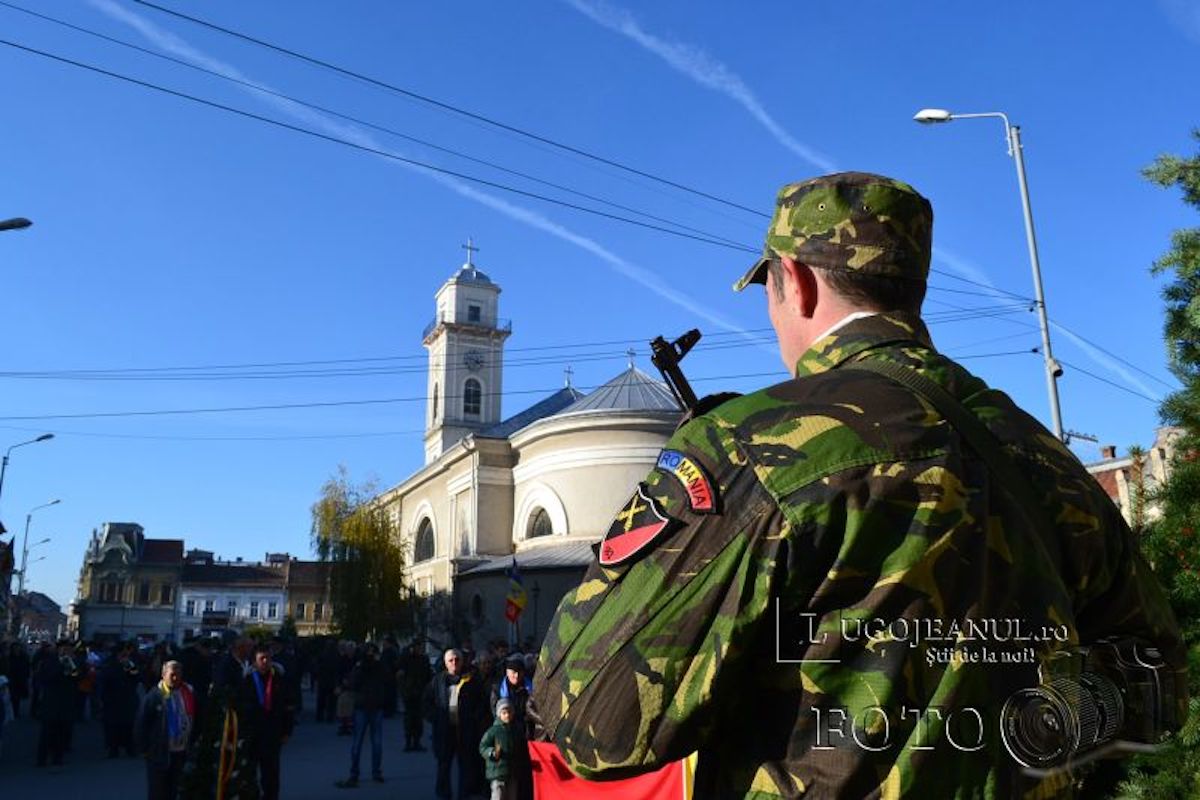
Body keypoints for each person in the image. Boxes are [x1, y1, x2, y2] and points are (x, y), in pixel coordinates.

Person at [532, 172, 1189, 798]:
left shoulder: (752, 446)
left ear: (796, 282)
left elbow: (596, 722)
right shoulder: (1041, 454)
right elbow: (1157, 693)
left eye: (768, 288)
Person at [423, 648, 489, 800]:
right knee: (444, 765)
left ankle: (463, 794)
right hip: (444, 731)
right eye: (450, 660)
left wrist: (473, 718)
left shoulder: (471, 680)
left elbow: (482, 702)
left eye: (457, 660)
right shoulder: (438, 680)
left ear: (462, 661)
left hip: (465, 730)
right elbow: (426, 701)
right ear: (445, 663)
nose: (454, 663)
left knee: (465, 765)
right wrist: (435, 717)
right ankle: (444, 794)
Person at [238, 644, 295, 800]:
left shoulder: (279, 679)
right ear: (254, 661)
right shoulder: (247, 680)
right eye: (261, 658)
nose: (265, 661)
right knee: (249, 771)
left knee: (271, 773)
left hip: (273, 733)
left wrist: (287, 731)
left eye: (267, 658)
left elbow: (288, 707)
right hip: (252, 734)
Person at [135, 660, 195, 800]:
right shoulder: (154, 696)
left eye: (179, 675)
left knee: (174, 790)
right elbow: (141, 724)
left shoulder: (187, 693)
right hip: (159, 752)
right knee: (158, 791)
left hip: (180, 750)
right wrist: (144, 749)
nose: (175, 678)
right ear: (163, 675)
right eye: (172, 674)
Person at [335, 642, 389, 787]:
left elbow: (353, 683)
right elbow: (387, 679)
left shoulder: (362, 666)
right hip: (373, 705)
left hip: (364, 705)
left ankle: (355, 773)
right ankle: (375, 772)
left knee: (359, 741)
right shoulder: (376, 666)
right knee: (373, 741)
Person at [488, 655, 533, 800]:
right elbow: (496, 712)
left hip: (526, 735)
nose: (516, 675)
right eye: (512, 672)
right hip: (506, 734)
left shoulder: (530, 687)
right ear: (507, 672)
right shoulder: (498, 689)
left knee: (524, 774)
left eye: (519, 672)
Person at [35, 639, 79, 767]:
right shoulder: (49, 661)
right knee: (47, 732)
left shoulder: (71, 662)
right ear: (58, 649)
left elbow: (76, 677)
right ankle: (41, 759)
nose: (67, 651)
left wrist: (71, 666)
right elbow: (45, 678)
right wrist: (61, 667)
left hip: (66, 701)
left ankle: (57, 758)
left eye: (69, 649)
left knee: (62, 732)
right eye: (64, 649)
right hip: (51, 701)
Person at [98, 642, 141, 758]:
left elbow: (137, 677)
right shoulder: (109, 664)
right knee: (113, 726)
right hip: (113, 699)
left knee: (129, 725)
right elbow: (104, 680)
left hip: (128, 698)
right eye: (124, 651)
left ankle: (130, 747)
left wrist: (129, 666)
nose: (126, 654)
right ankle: (113, 748)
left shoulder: (130, 663)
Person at [400, 639, 432, 751]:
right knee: (409, 718)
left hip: (420, 692)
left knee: (418, 719)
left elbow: (428, 676)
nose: (419, 649)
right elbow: (400, 674)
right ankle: (409, 741)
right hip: (409, 693)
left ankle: (416, 741)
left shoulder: (423, 660)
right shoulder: (406, 659)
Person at [479, 698, 515, 800]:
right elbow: (482, 747)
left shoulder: (514, 731)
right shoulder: (493, 731)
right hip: (497, 773)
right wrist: (492, 752)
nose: (507, 715)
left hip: (511, 772)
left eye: (509, 712)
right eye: (504, 713)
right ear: (499, 714)